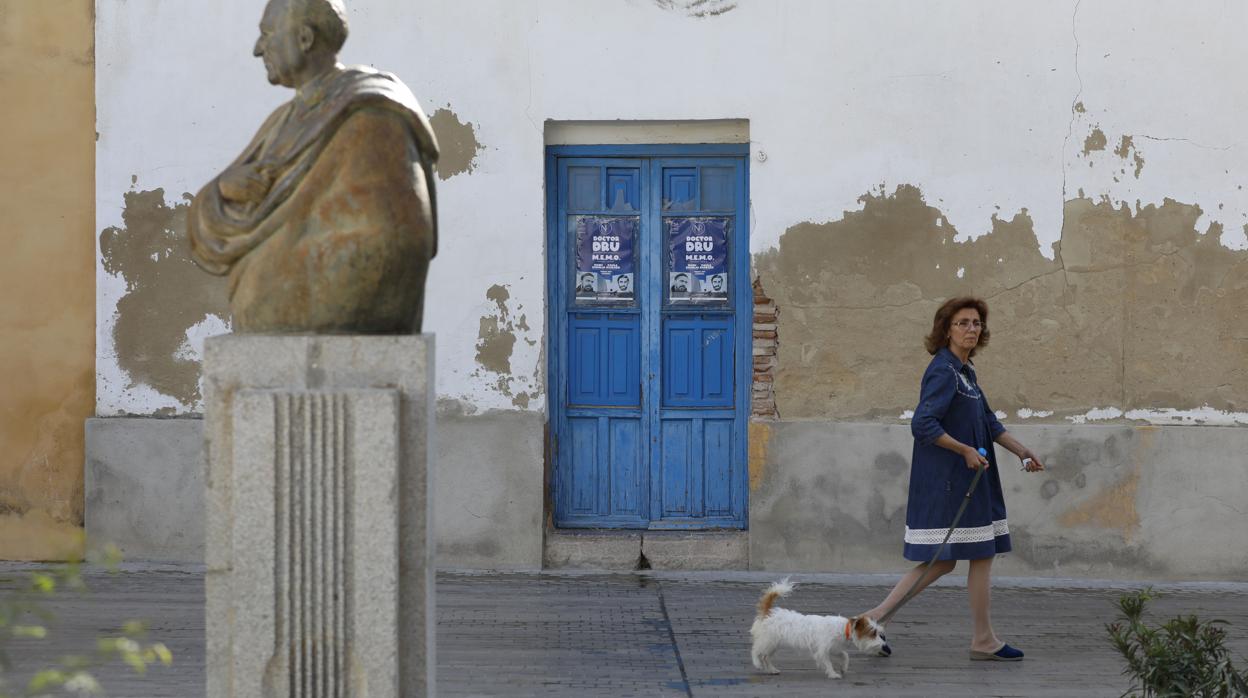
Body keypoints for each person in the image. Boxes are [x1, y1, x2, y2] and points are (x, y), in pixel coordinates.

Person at [189, 0, 439, 333]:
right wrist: (224, 189)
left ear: (305, 39)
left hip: (334, 332)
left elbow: (391, 238)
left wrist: (271, 274)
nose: (257, 49)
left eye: (267, 34)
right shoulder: (280, 122)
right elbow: (213, 223)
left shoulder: (374, 117)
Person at [860, 296, 1045, 661]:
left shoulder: (966, 371)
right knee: (970, 555)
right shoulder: (943, 371)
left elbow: (989, 422)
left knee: (950, 559)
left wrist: (1021, 450)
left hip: (969, 480)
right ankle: (982, 640)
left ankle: (874, 620)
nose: (971, 329)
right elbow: (923, 424)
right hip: (951, 481)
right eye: (962, 323)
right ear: (946, 329)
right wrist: (964, 450)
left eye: (976, 323)